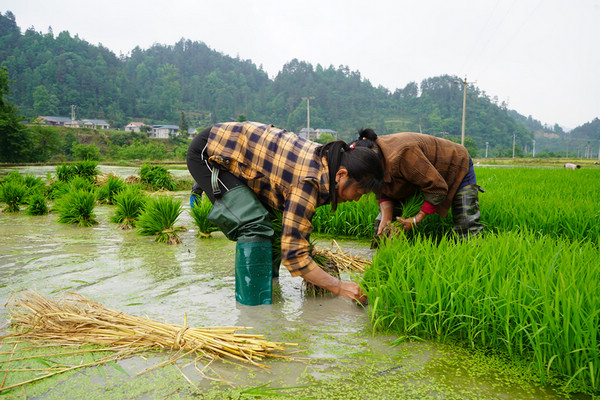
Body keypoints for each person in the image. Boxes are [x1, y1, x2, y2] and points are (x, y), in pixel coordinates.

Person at [187, 121, 384, 304]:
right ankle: (253, 310)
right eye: (359, 191)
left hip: (247, 160)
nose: (356, 198)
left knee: (272, 229)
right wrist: (340, 287)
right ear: (342, 175)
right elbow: (293, 257)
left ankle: (270, 295)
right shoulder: (310, 181)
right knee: (254, 225)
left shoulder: (328, 165)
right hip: (212, 152)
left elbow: (296, 222)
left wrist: (303, 245)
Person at [350, 128, 484, 241]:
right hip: (420, 174)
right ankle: (381, 258)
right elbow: (383, 189)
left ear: (376, 161)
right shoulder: (371, 157)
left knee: (467, 225)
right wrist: (386, 216)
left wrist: (416, 219)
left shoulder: (403, 154)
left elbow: (437, 187)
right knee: (382, 225)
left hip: (454, 164)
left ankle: (474, 259)